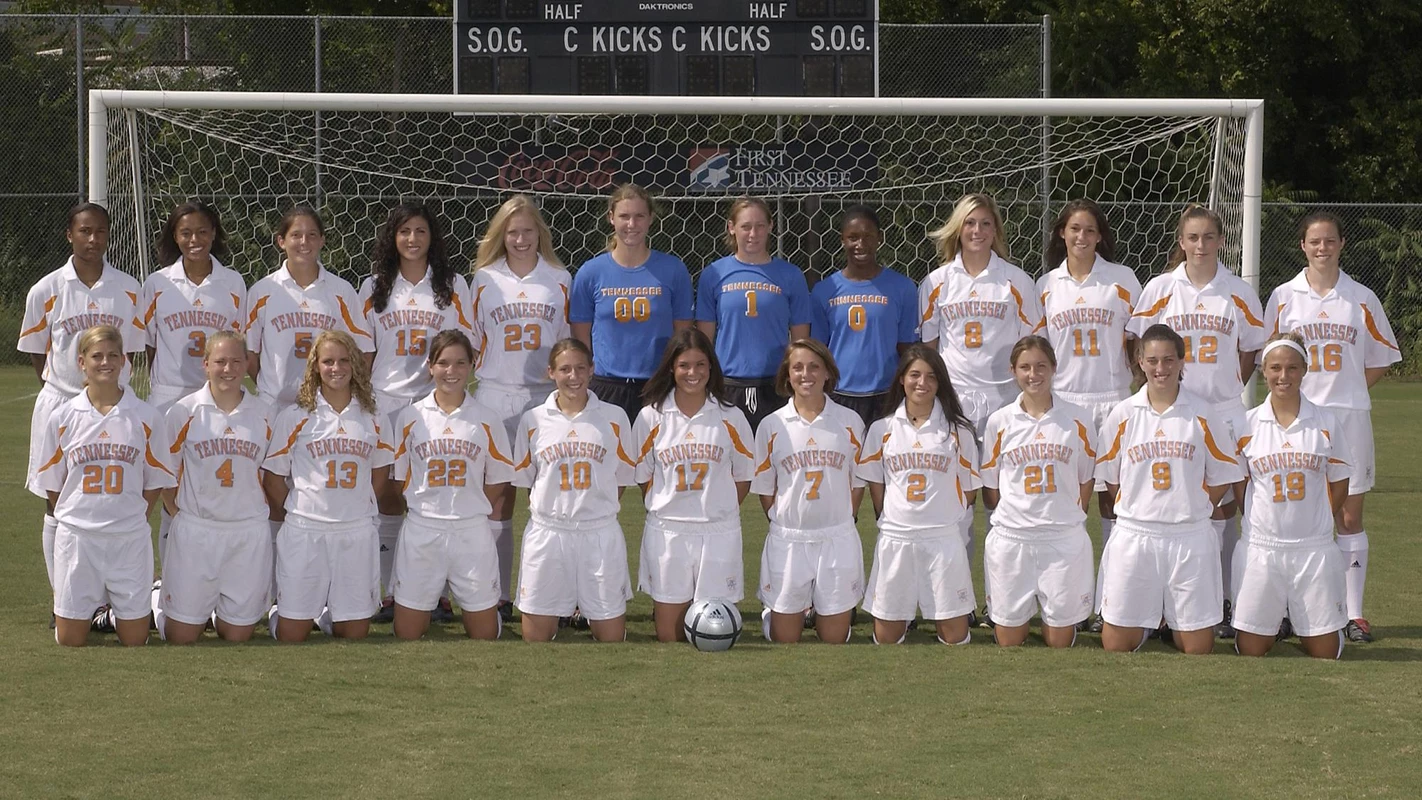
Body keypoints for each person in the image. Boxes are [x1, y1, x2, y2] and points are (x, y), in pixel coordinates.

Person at [1128, 204, 1265, 638]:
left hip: (1223, 409)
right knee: (1170, 500)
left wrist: (1230, 385)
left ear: (1221, 241)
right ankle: (1163, 604)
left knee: (1224, 505)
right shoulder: (1160, 287)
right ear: (1181, 242)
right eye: (1193, 238)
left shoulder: (1238, 291)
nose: (1201, 245)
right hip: (1172, 408)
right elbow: (1141, 343)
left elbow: (1251, 348)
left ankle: (1220, 599)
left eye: (1209, 237)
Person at [1262, 211, 1400, 643]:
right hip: (1296, 417)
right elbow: (1269, 355)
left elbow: (1380, 358)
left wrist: (1348, 390)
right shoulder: (1284, 295)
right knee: (1293, 511)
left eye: (1330, 241)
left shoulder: (1361, 297)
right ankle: (1287, 611)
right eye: (1314, 242)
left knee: (1347, 514)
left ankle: (1352, 614)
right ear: (1302, 246)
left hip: (1347, 415)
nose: (1323, 248)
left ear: (1342, 244)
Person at [18, 203, 144, 606]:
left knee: (111, 497)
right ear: (69, 234)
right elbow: (39, 354)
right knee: (57, 502)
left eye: (101, 232)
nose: (93, 240)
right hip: (61, 401)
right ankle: (65, 600)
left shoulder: (128, 288)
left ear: (109, 236)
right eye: (85, 231)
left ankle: (108, 598)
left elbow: (134, 350)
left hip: (114, 405)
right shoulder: (47, 288)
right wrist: (67, 389)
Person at [1095, 324, 1245, 655]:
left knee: (1197, 649)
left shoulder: (1203, 413)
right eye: (1152, 361)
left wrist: (1194, 505)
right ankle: (1149, 622)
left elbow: (1222, 475)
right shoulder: (1122, 414)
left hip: (1188, 536)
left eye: (1168, 360)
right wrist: (1138, 503)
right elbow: (1110, 477)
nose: (1160, 369)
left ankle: (1168, 620)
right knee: (1116, 646)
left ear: (1181, 361)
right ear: (1140, 361)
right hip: (1136, 534)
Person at [358, 202, 473, 623]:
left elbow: (462, 342)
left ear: (432, 237)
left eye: (420, 231)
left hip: (433, 402)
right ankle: (389, 591)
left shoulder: (452, 284)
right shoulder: (373, 285)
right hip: (386, 400)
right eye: (404, 231)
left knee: (433, 495)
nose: (412, 239)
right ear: (393, 237)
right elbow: (365, 350)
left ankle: (437, 592)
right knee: (387, 496)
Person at [918, 193, 1043, 576]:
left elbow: (1031, 346)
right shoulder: (936, 282)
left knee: (1002, 499)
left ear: (996, 230)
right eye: (970, 223)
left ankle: (1000, 594)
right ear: (958, 228)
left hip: (1003, 399)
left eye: (986, 223)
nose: (977, 231)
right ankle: (956, 597)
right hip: (954, 402)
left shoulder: (1016, 280)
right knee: (956, 500)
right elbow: (928, 349)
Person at [1035, 200, 1141, 630]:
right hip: (1065, 402)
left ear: (1101, 236)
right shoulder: (1045, 284)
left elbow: (1138, 340)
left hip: (1113, 398)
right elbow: (1039, 349)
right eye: (1074, 229)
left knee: (1114, 500)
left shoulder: (1122, 280)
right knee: (1066, 500)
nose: (1081, 237)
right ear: (1062, 233)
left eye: (1090, 230)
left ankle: (1112, 600)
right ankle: (1070, 599)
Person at [34, 325, 175, 646]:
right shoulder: (64, 417)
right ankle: (93, 611)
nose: (105, 362)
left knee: (135, 639)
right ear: (81, 362)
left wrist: (136, 515)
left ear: (125, 360)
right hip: (79, 538)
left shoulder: (145, 416)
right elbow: (53, 486)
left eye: (113, 355)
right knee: (69, 639)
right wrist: (77, 514)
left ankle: (126, 608)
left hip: (128, 537)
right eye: (97, 356)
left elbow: (155, 480)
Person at [469, 194, 572, 621]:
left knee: (552, 499)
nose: (521, 238)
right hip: (494, 394)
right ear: (501, 235)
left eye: (528, 230)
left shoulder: (561, 278)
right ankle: (497, 595)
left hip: (544, 398)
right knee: (496, 499)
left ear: (540, 233)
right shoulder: (483, 280)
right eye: (512, 232)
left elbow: (567, 342)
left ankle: (559, 596)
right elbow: (471, 339)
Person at [261, 330, 393, 642]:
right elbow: (273, 478)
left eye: (344, 361)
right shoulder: (295, 416)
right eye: (328, 361)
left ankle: (326, 613)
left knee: (354, 633)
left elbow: (380, 473)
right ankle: (279, 611)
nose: (337, 368)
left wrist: (356, 505)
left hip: (355, 529)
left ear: (356, 365)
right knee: (292, 636)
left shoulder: (373, 416)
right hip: (307, 529)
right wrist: (299, 510)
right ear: (315, 366)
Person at [139, 200, 248, 567]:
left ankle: (214, 573)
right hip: (169, 397)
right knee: (169, 489)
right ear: (175, 236)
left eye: (202, 231)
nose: (195, 239)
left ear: (214, 234)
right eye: (186, 232)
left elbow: (236, 342)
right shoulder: (156, 283)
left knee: (210, 486)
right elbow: (150, 343)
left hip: (216, 399)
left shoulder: (232, 282)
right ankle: (171, 578)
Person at [389, 330, 515, 640]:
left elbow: (498, 478)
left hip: (470, 530)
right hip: (422, 529)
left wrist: (469, 506)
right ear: (429, 365)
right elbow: (398, 480)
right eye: (443, 363)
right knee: (407, 633)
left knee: (484, 635)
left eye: (460, 363)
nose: (451, 371)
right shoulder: (410, 417)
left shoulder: (486, 418)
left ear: (472, 365)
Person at [632, 328, 755, 642]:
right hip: (668, 531)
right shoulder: (650, 417)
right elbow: (644, 475)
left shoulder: (731, 417)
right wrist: (670, 503)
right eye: (684, 365)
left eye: (700, 364)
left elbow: (743, 476)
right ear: (671, 368)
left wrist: (718, 505)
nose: (692, 372)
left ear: (711, 367)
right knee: (670, 635)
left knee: (716, 632)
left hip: (718, 531)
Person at [1232, 333, 1351, 659]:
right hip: (1262, 548)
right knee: (1250, 649)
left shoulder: (1325, 421)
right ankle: (1277, 620)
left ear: (1304, 369)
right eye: (1275, 368)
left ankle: (1303, 621)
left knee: (1327, 652)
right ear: (1264, 371)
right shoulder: (1247, 423)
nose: (1283, 376)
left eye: (1292, 368)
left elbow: (1340, 482)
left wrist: (1320, 518)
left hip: (1313, 548)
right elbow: (1241, 482)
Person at [511, 339, 637, 642]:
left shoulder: (614, 417)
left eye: (581, 368)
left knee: (611, 638)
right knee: (535, 638)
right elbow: (528, 480)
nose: (574, 376)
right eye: (565, 369)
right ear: (551, 372)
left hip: (599, 532)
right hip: (548, 533)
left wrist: (593, 508)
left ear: (592, 370)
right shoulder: (533, 420)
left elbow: (619, 480)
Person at [153, 330, 275, 644]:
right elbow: (165, 472)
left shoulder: (265, 414)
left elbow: (273, 473)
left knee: (237, 635)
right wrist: (178, 512)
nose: (228, 369)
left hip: (247, 530)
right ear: (206, 364)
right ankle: (158, 599)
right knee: (181, 637)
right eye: (220, 361)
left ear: (248, 363)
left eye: (237, 361)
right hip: (198, 530)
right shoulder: (184, 412)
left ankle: (219, 606)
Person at [979, 336, 1098, 647]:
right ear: (1013, 371)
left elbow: (1085, 478)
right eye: (1025, 367)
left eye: (1041, 366)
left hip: (1061, 538)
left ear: (1054, 368)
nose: (1034, 374)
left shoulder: (1077, 419)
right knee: (1009, 640)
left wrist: (1072, 513)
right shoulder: (999, 422)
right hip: (1013, 539)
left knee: (1060, 640)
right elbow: (991, 486)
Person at [857, 344, 978, 646]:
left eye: (931, 377)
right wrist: (892, 516)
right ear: (901, 379)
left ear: (940, 383)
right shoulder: (881, 428)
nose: (921, 383)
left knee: (954, 637)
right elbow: (876, 484)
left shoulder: (958, 430)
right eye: (914, 375)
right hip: (898, 538)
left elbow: (970, 488)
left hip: (942, 538)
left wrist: (949, 519)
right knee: (886, 638)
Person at [751, 339, 865, 644]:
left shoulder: (850, 422)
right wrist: (784, 520)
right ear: (787, 375)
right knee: (784, 639)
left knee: (834, 640)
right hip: (790, 540)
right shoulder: (771, 425)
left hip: (836, 538)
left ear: (828, 372)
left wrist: (845, 518)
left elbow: (857, 482)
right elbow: (765, 488)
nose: (806, 374)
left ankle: (823, 608)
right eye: (797, 367)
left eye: (815, 366)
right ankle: (775, 613)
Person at [570, 184, 693, 422]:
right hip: (607, 385)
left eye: (639, 216)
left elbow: (683, 335)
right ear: (611, 218)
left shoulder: (673, 270)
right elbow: (581, 340)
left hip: (658, 384)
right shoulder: (590, 273)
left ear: (650, 219)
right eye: (624, 216)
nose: (631, 224)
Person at [697, 197, 814, 431]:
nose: (753, 234)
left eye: (760, 226)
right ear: (731, 227)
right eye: (746, 226)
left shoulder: (790, 275)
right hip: (728, 383)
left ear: (771, 226)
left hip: (776, 384)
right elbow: (704, 340)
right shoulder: (714, 274)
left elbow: (801, 342)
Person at [247, 206, 374, 408]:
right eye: (296, 235)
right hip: (273, 406)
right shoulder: (261, 292)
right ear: (281, 241)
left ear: (322, 240)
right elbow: (250, 353)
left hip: (324, 408)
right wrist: (271, 392)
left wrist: (343, 391)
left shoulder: (342, 291)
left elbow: (364, 350)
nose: (304, 242)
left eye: (312, 235)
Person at [810, 204, 920, 428]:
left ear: (879, 239)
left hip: (886, 395)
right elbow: (817, 350)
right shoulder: (824, 290)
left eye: (868, 237)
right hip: (838, 395)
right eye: (853, 237)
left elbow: (907, 348)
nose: (860, 244)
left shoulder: (903, 288)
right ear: (842, 240)